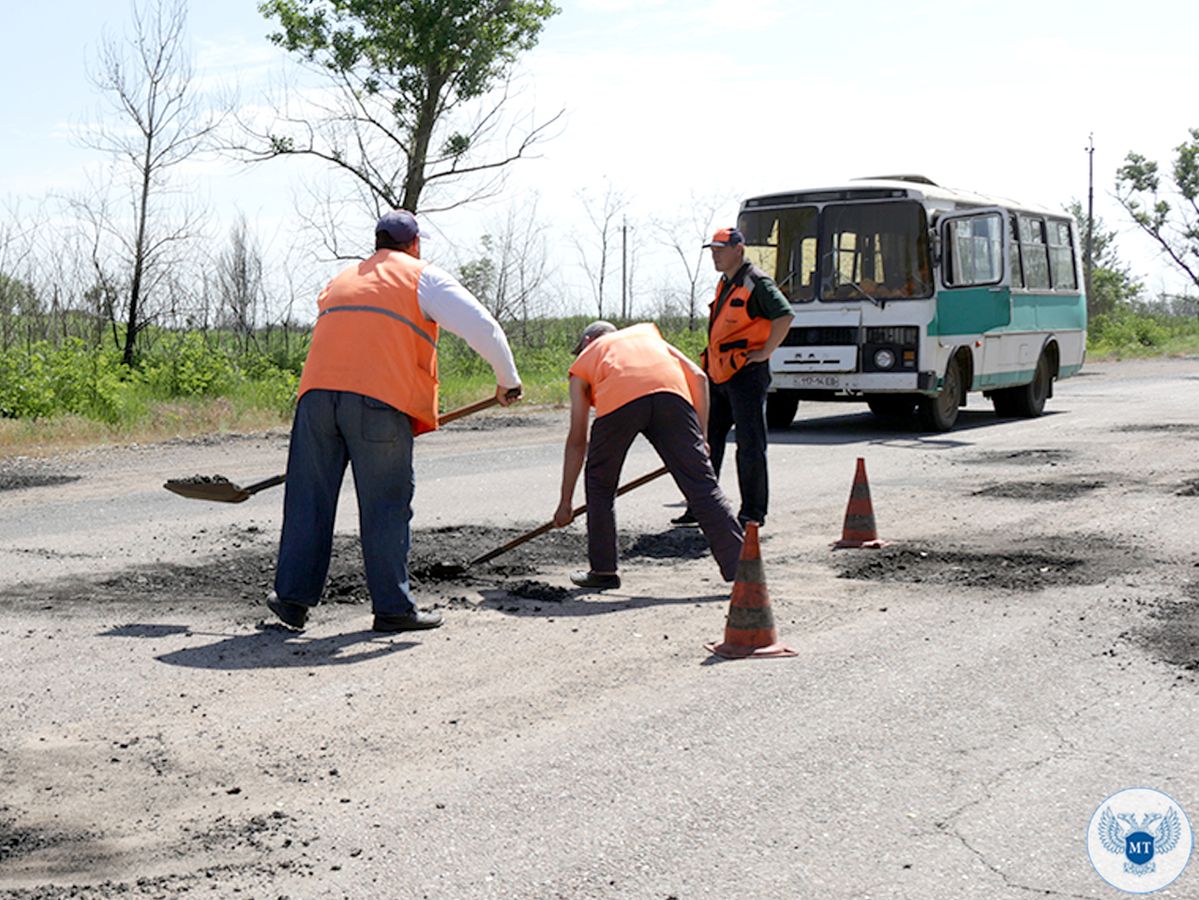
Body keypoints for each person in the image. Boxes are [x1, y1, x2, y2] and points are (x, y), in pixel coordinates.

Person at [267, 209, 522, 632]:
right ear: (415, 244)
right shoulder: (423, 276)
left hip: (315, 400)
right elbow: (482, 326)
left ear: (376, 243)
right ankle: (392, 608)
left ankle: (292, 600)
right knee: (385, 505)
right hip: (377, 403)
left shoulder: (341, 280)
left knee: (307, 501)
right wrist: (507, 379)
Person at [552, 321, 744, 590]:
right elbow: (699, 378)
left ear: (587, 340)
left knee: (600, 484)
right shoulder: (648, 336)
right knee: (702, 487)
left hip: (620, 403)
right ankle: (742, 571)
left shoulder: (587, 358)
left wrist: (565, 503)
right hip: (672, 398)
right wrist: (701, 437)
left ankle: (603, 571)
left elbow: (577, 440)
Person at [673, 226, 793, 527]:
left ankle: (752, 513)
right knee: (707, 441)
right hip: (719, 373)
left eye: (720, 250)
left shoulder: (756, 282)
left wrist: (765, 352)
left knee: (750, 444)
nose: (715, 256)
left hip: (746, 373)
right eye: (712, 250)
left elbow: (785, 315)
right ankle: (702, 507)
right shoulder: (726, 282)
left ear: (738, 250)